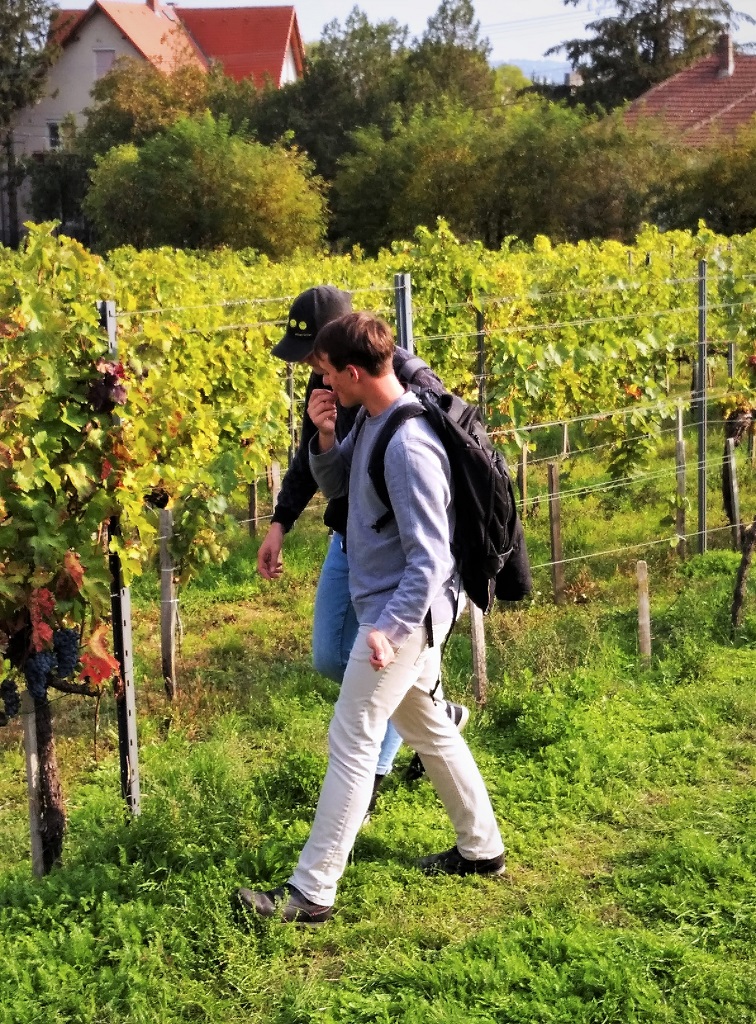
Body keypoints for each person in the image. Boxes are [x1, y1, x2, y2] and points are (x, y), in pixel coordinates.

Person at [236, 312, 505, 925]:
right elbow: (339, 487)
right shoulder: (374, 419)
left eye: (329, 374)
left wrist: (389, 628)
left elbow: (431, 559)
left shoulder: (409, 445)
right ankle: (482, 849)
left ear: (354, 372)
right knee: (428, 728)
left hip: (401, 618)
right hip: (392, 613)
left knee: (353, 735)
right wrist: (325, 436)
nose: (324, 384)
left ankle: (311, 892)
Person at [257, 286, 468, 813]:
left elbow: (433, 500)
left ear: (342, 352)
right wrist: (280, 521)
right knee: (332, 656)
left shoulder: (404, 386)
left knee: (366, 695)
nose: (314, 371)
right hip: (350, 540)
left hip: (401, 560)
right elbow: (318, 466)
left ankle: (370, 781)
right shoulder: (328, 382)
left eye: (316, 357)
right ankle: (438, 718)